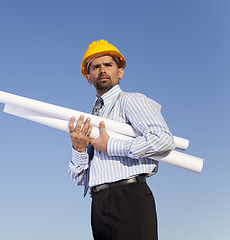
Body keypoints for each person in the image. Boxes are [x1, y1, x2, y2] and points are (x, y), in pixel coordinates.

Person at [68, 39, 175, 240]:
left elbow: (163, 139)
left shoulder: (130, 100)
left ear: (120, 71)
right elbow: (80, 180)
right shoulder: (90, 120)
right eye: (96, 67)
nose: (102, 70)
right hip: (99, 203)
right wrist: (79, 149)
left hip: (129, 196)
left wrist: (111, 146)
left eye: (108, 65)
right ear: (88, 77)